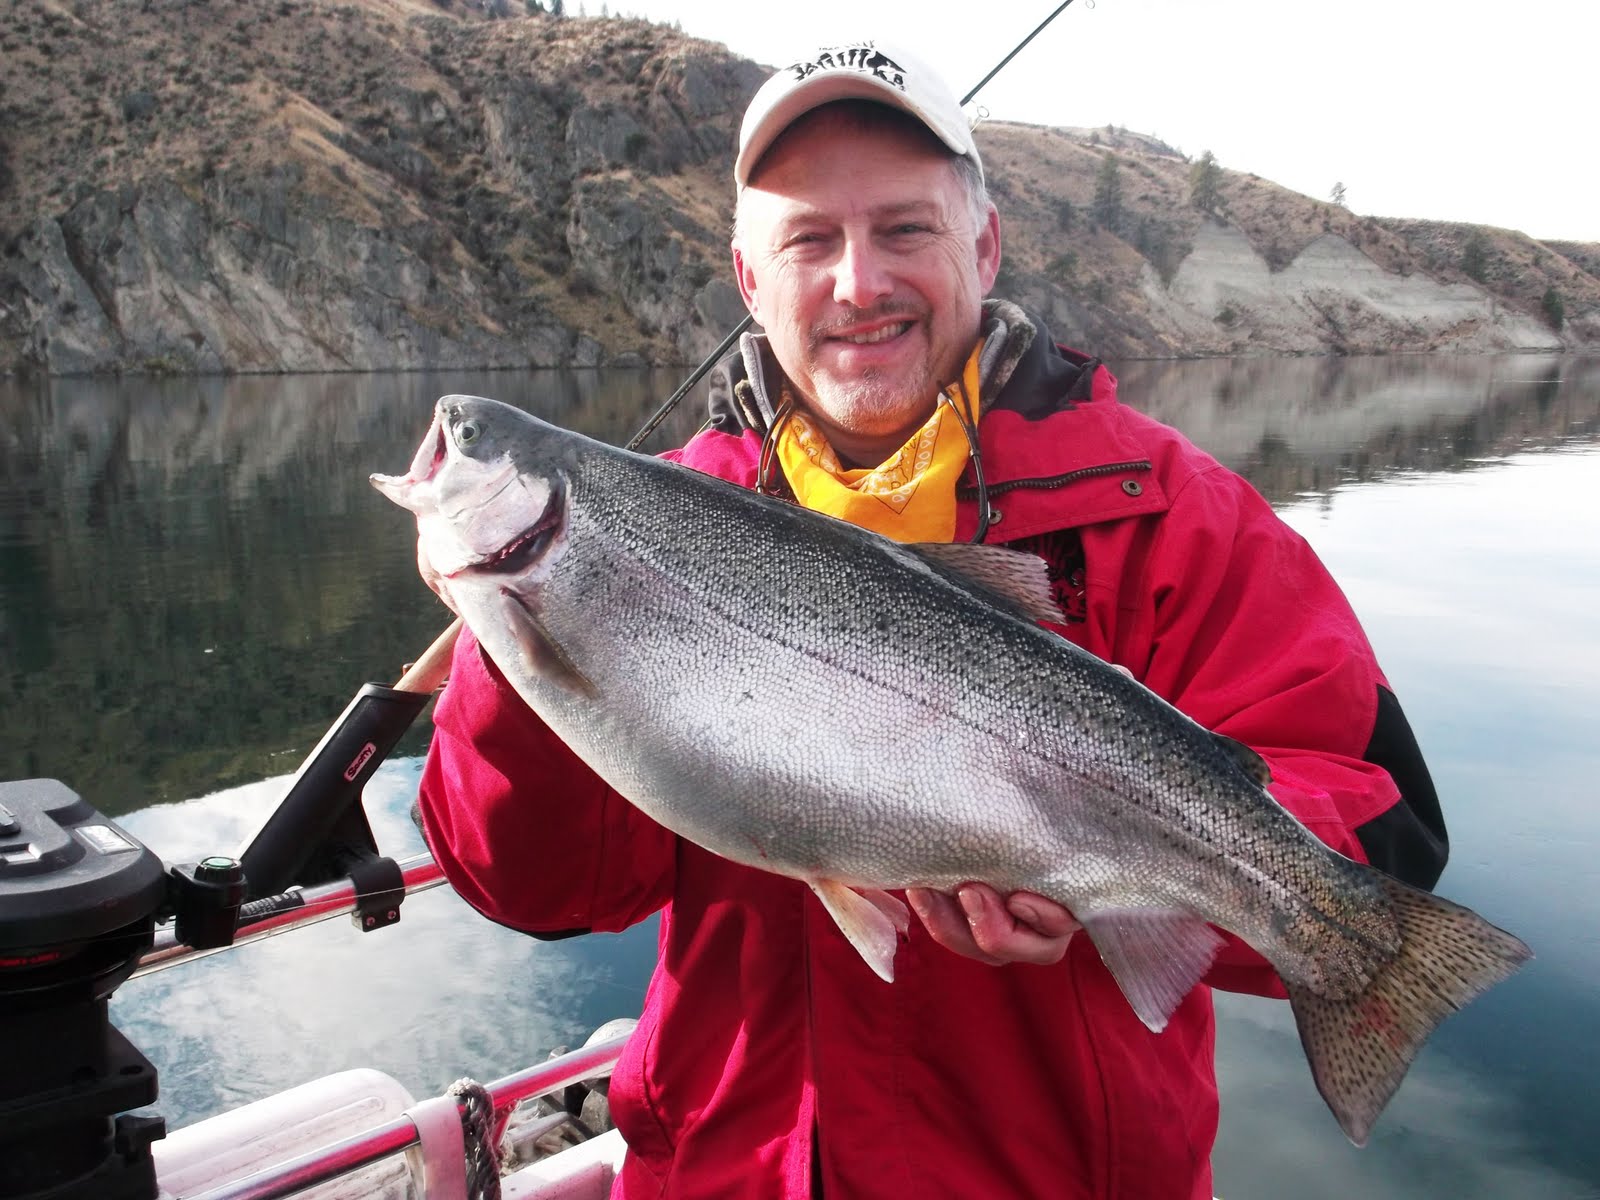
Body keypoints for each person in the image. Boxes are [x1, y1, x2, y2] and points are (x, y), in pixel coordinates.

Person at [414, 38, 1448, 1199]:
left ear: (985, 246)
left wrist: (1146, 876)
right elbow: (541, 889)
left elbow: (1384, 825)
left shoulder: (1173, 516)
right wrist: (519, 644)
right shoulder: (639, 526)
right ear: (750, 282)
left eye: (904, 229)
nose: (860, 282)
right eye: (809, 238)